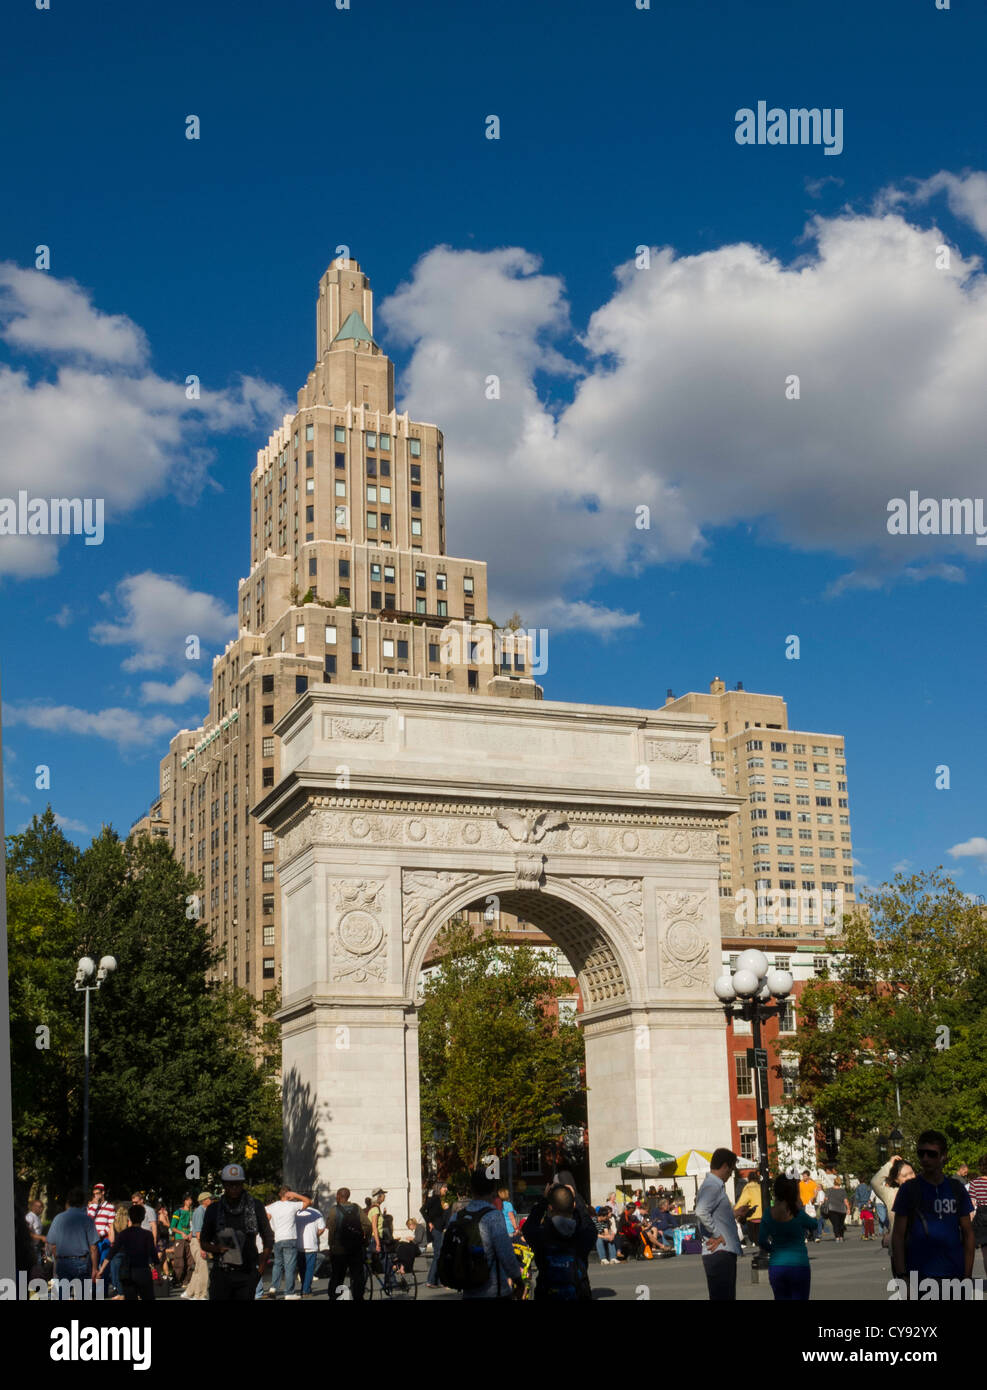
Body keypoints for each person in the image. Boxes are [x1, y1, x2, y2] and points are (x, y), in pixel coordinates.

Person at [891, 1130, 974, 1295]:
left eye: (931, 1154)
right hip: (919, 1276)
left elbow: (968, 1234)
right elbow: (898, 1235)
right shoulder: (909, 1189)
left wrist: (967, 1276)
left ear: (943, 1156)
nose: (925, 1159)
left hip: (954, 1274)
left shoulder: (956, 1189)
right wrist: (902, 1276)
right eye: (921, 1153)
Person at [441, 1167, 522, 1299]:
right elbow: (505, 1253)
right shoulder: (493, 1216)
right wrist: (518, 1280)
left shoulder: (457, 1217)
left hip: (468, 1289)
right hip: (494, 1289)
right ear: (493, 1190)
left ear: (471, 1189)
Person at [199, 1163, 274, 1301]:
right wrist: (217, 1248)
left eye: (237, 1184)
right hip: (222, 1273)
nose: (234, 1188)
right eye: (229, 1184)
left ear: (242, 1184)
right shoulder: (214, 1209)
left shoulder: (255, 1205)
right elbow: (203, 1242)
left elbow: (268, 1236)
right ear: (223, 1185)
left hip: (247, 1272)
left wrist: (261, 1267)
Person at [521, 1184, 596, 1300]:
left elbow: (528, 1227)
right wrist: (577, 1199)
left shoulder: (542, 1234)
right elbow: (588, 1223)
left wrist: (544, 1200)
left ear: (550, 1208)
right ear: (573, 1206)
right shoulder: (584, 1234)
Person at [695, 1148, 749, 1301]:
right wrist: (717, 1234)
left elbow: (711, 1213)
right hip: (720, 1252)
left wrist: (735, 1213)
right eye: (731, 1169)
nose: (731, 1173)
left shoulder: (712, 1185)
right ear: (725, 1166)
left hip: (719, 1252)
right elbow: (701, 1211)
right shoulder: (713, 1186)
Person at [757, 1175, 817, 1300]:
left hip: (777, 1264)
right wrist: (799, 1204)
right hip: (799, 1263)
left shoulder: (768, 1213)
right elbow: (814, 1224)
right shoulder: (798, 1213)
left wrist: (773, 1249)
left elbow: (761, 1240)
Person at [264, 1186, 312, 1299]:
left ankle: (273, 1287)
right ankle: (289, 1293)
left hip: (277, 1238)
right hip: (290, 1238)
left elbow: (267, 1218)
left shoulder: (273, 1206)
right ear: (289, 1195)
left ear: (280, 1194)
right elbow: (308, 1201)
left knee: (277, 1264)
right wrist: (295, 1195)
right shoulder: (293, 1205)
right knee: (289, 1267)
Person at [46, 1188, 98, 1291]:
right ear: (83, 1202)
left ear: (68, 1201)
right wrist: (94, 1268)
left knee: (63, 1294)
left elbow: (52, 1243)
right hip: (81, 1261)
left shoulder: (58, 1218)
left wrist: (58, 1258)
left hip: (63, 1261)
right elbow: (94, 1247)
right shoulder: (87, 1220)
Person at [325, 1187, 371, 1300]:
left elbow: (331, 1230)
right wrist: (365, 1241)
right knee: (357, 1276)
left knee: (337, 1276)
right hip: (356, 1248)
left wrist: (331, 1246)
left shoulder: (334, 1210)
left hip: (339, 1249)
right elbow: (368, 1225)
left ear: (338, 1196)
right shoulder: (357, 1208)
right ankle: (358, 1297)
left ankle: (334, 1297)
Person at [871, 1154, 916, 1253]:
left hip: (919, 1249)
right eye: (904, 1176)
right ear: (896, 1179)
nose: (910, 1177)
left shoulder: (923, 1191)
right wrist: (889, 1164)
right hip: (898, 1249)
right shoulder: (891, 1194)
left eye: (911, 1173)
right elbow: (875, 1182)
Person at [116, 1204, 157, 1302]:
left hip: (127, 1271)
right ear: (143, 1218)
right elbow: (153, 1255)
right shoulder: (147, 1234)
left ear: (129, 1217)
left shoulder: (124, 1234)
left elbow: (113, 1251)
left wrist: (100, 1268)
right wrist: (157, 1273)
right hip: (143, 1271)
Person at [182, 1192, 213, 1300]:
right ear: (204, 1200)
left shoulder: (201, 1210)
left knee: (198, 1269)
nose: (212, 1200)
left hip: (197, 1241)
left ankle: (190, 1292)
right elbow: (199, 1232)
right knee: (204, 1270)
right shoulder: (200, 1212)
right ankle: (201, 1295)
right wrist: (202, 1248)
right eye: (210, 1198)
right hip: (198, 1242)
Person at [294, 1202, 325, 1298]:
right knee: (309, 1269)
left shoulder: (296, 1212)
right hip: (311, 1244)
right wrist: (315, 1235)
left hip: (298, 1244)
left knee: (302, 1269)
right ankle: (306, 1290)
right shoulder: (316, 1212)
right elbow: (322, 1228)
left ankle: (305, 1287)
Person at [422, 1182, 450, 1288]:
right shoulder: (434, 1199)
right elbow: (423, 1210)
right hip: (436, 1229)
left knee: (439, 1254)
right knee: (438, 1254)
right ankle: (430, 1280)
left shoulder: (438, 1200)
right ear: (439, 1188)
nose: (446, 1189)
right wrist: (429, 1222)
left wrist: (446, 1210)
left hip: (438, 1229)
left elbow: (437, 1215)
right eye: (444, 1187)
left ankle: (437, 1280)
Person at [967, 1154, 987, 1277]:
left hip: (982, 1218)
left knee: (985, 1252)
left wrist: (969, 1226)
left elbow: (971, 1206)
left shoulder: (974, 1183)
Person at [169, 1196, 194, 1288]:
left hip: (190, 1239)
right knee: (179, 1261)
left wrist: (191, 1233)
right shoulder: (178, 1212)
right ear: (184, 1201)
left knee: (191, 1261)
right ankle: (176, 1281)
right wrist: (182, 1233)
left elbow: (194, 1226)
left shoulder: (192, 1213)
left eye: (191, 1200)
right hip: (180, 1238)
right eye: (187, 1200)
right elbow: (172, 1227)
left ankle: (186, 1281)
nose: (190, 1201)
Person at [736, 1173, 764, 1246]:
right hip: (763, 1216)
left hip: (753, 1216)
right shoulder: (760, 1187)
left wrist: (735, 1210)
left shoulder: (748, 1188)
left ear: (748, 1179)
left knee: (754, 1237)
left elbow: (742, 1201)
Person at [826, 1177, 849, 1241]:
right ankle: (841, 1236)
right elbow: (845, 1201)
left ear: (834, 1182)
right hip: (842, 1210)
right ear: (840, 1183)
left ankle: (837, 1237)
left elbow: (826, 1199)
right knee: (841, 1223)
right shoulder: (842, 1190)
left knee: (835, 1224)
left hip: (832, 1209)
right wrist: (848, 1209)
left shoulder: (829, 1190)